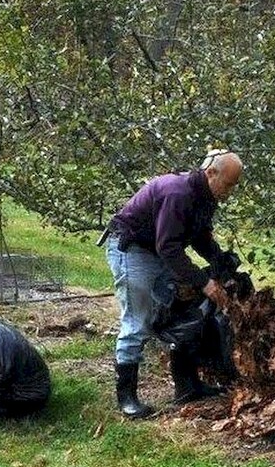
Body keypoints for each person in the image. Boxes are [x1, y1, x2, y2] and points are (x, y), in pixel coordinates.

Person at [104, 149, 243, 418]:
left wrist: (219, 260)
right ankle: (127, 398)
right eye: (228, 185)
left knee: (184, 310)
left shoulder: (205, 196)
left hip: (157, 250)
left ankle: (187, 387)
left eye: (233, 187)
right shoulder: (177, 194)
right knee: (138, 320)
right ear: (211, 173)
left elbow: (200, 236)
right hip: (131, 249)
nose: (229, 192)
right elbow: (168, 247)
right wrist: (204, 282)